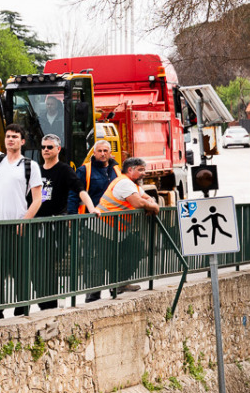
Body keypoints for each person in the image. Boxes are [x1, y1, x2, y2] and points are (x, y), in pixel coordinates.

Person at [0, 81, 42, 319]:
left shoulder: (30, 166)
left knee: (20, 270)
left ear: (22, 141)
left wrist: (24, 221)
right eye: (8, 136)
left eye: (15, 137)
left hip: (18, 225)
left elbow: (37, 200)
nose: (10, 140)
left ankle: (22, 308)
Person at [92, 155, 161, 295]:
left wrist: (151, 204)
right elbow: (138, 202)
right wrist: (154, 207)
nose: (144, 173)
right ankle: (93, 297)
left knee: (136, 248)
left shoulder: (132, 184)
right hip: (102, 228)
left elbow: (146, 198)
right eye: (141, 170)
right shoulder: (124, 183)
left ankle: (120, 284)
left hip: (115, 229)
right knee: (100, 263)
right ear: (130, 169)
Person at [33, 133, 83, 310]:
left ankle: (50, 302)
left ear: (58, 149)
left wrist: (92, 208)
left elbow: (79, 189)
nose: (45, 150)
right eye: (43, 147)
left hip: (56, 225)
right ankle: (44, 302)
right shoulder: (36, 170)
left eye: (49, 147)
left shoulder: (64, 170)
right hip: (37, 224)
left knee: (50, 263)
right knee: (39, 264)